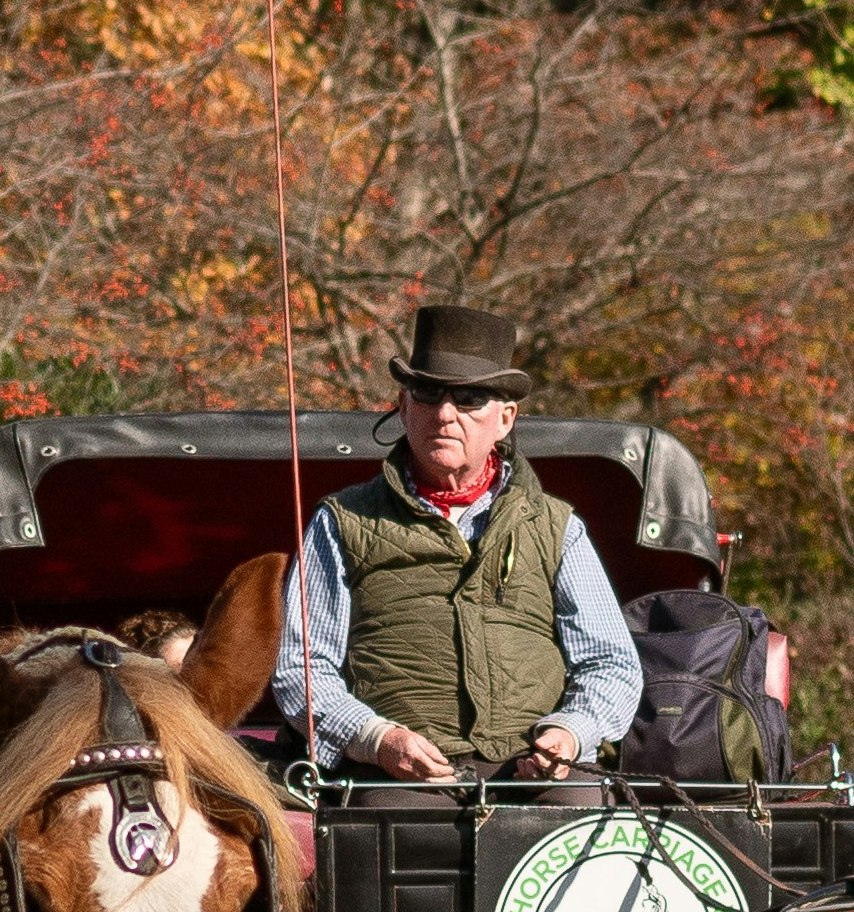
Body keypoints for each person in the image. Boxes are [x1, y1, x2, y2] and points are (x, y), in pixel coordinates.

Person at [268, 298, 644, 783]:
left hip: (537, 781)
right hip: (393, 779)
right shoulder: (340, 520)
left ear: (505, 419)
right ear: (403, 407)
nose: (445, 414)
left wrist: (570, 734)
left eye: (469, 400)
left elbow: (611, 662)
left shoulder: (558, 526)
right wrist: (376, 740)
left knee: (587, 832)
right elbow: (301, 667)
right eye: (426, 393)